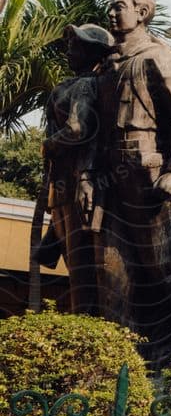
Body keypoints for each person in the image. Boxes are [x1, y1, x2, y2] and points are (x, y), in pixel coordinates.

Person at [93, 0, 171, 365]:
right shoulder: (107, 66)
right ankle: (123, 361)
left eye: (120, 7)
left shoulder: (155, 57)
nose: (112, 13)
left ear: (142, 13)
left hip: (147, 175)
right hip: (109, 177)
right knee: (112, 269)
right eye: (110, 7)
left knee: (166, 265)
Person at [37, 22, 114, 314]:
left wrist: (49, 145)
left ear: (92, 52)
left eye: (76, 45)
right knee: (76, 265)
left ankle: (88, 323)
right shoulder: (74, 85)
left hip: (76, 182)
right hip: (63, 183)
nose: (70, 50)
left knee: (81, 270)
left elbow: (77, 129)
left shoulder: (85, 85)